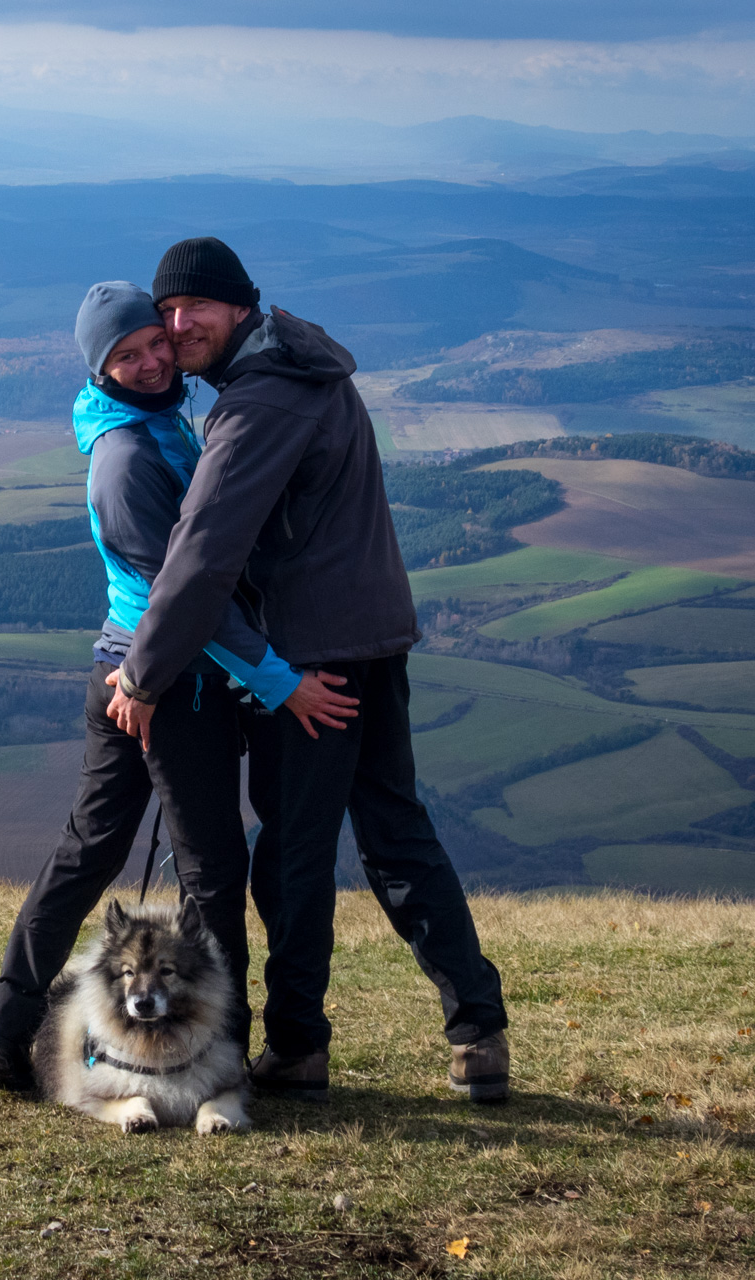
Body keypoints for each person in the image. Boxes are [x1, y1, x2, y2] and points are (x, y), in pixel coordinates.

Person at [105, 238, 513, 1104]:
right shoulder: (304, 361)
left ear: (240, 305)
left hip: (317, 660)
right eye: (167, 313)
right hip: (372, 638)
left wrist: (142, 675)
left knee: (290, 856)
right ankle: (479, 1029)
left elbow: (202, 554)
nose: (178, 328)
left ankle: (296, 1048)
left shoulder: (262, 403)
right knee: (397, 834)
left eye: (196, 311)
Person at [0, 281, 358, 1092]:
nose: (150, 362)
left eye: (153, 344)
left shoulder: (149, 426)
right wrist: (283, 684)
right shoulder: (128, 457)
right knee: (209, 870)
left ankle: (5, 1031)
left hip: (133, 671)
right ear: (99, 368)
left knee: (88, 855)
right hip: (163, 684)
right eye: (126, 356)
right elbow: (187, 599)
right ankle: (221, 1058)